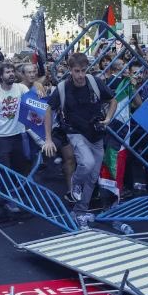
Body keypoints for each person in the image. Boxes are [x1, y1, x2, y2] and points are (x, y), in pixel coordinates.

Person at [42, 53, 116, 228]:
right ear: (70, 70)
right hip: (75, 132)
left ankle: (80, 211)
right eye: (77, 71)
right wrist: (47, 138)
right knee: (87, 164)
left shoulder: (94, 82)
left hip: (96, 134)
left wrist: (108, 119)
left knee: (92, 177)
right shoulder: (62, 88)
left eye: (83, 70)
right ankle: (74, 184)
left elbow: (113, 100)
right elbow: (48, 110)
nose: (81, 75)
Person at [0, 63, 29, 213]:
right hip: (1, 137)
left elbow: (33, 94)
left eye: (12, 71)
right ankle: (9, 199)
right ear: (0, 76)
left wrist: (39, 88)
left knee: (19, 167)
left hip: (18, 134)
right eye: (7, 72)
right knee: (5, 170)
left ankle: (16, 195)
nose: (11, 74)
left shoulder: (21, 88)